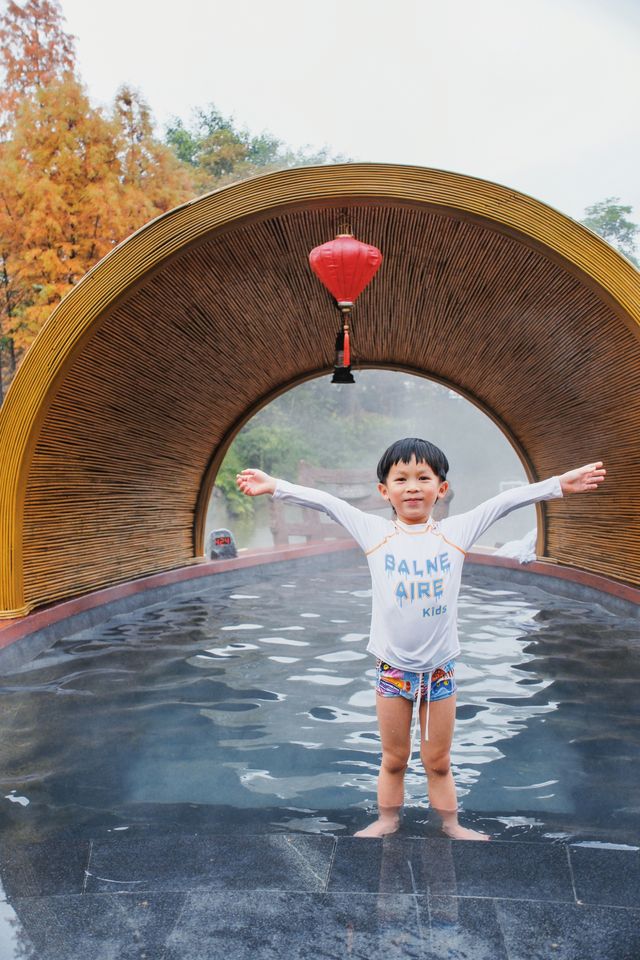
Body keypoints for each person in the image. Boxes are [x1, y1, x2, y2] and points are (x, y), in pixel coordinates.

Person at [236, 439, 606, 840]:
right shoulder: (374, 532)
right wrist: (275, 485)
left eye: (423, 478)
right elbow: (327, 502)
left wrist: (557, 485)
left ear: (441, 488)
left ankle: (451, 824)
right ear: (385, 491)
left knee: (439, 762)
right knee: (394, 759)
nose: (412, 487)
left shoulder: (456, 533)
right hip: (393, 673)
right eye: (401, 479)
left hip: (439, 675)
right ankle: (387, 819)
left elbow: (506, 502)